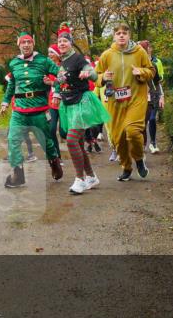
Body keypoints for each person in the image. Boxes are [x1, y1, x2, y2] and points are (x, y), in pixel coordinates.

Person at [0, 31, 65, 188]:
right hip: (19, 111)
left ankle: (54, 162)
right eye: (23, 42)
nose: (26, 45)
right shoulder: (14, 63)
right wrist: (5, 102)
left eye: (29, 42)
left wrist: (54, 86)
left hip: (39, 111)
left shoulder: (43, 60)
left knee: (47, 142)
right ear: (19, 45)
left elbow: (62, 75)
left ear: (33, 44)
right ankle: (18, 175)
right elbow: (11, 84)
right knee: (13, 140)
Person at [95, 24, 154, 181]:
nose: (121, 36)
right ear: (114, 36)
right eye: (118, 33)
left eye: (124, 33)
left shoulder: (139, 52)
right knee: (118, 138)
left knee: (133, 132)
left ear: (129, 36)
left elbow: (151, 71)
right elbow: (96, 76)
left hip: (135, 99)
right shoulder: (107, 55)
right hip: (115, 102)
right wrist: (103, 78)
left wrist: (141, 72)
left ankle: (139, 160)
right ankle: (126, 167)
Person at [55, 25, 110, 194]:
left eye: (65, 41)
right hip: (69, 105)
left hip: (82, 103)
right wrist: (52, 84)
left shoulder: (78, 59)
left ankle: (79, 180)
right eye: (59, 41)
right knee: (78, 142)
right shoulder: (62, 61)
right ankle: (91, 177)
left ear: (71, 43)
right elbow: (63, 81)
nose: (62, 44)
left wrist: (88, 74)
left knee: (71, 140)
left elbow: (92, 73)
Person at [138, 40, 165, 154]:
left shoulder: (154, 63)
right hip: (140, 97)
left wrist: (162, 96)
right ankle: (143, 144)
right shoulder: (134, 66)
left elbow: (158, 82)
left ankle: (153, 143)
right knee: (142, 123)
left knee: (152, 119)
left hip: (153, 96)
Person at [46, 44, 63, 145]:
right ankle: (57, 157)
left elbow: (63, 82)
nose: (49, 54)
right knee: (51, 130)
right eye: (49, 52)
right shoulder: (48, 67)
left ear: (57, 54)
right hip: (52, 102)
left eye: (52, 52)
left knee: (63, 132)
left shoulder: (64, 66)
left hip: (63, 101)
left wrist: (52, 83)